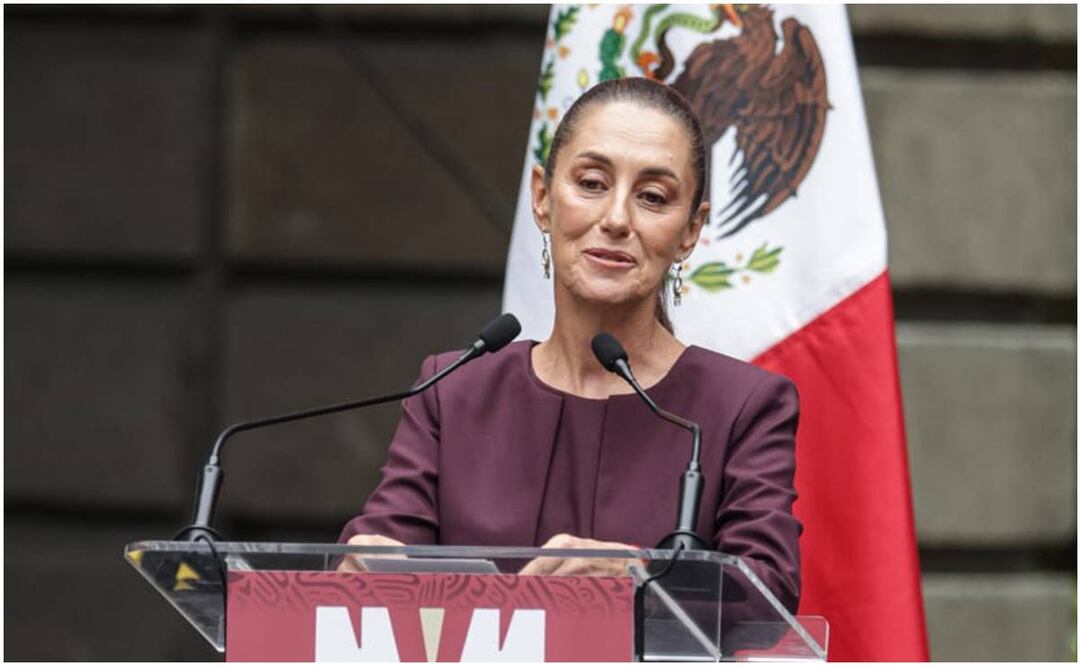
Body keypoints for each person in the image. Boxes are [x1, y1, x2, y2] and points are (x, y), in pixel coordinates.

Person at [338, 77, 801, 613]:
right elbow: (378, 561)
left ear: (690, 231)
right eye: (591, 183)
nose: (616, 219)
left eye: (653, 197)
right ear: (541, 197)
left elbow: (768, 596)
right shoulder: (454, 389)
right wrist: (366, 565)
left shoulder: (743, 407)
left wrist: (640, 574)